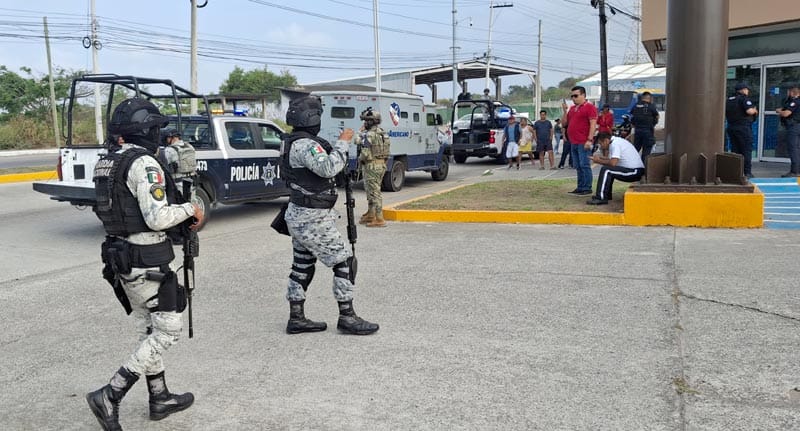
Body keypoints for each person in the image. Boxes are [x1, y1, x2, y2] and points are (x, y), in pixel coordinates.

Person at [87, 98, 204, 430]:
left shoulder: (108, 162)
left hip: (121, 256)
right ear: (147, 129)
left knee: (149, 329)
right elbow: (157, 218)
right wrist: (191, 209)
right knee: (167, 330)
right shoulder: (144, 164)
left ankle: (160, 395)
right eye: (156, 128)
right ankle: (111, 393)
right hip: (145, 258)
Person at [281, 95, 379, 336]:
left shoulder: (291, 141)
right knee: (344, 262)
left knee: (302, 265)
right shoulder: (305, 144)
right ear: (311, 118)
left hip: (300, 214)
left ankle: (297, 317)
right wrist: (344, 142)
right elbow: (327, 168)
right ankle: (347, 316)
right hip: (312, 217)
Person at [354, 107, 391, 227]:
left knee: (374, 192)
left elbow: (362, 148)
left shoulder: (369, 134)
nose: (364, 123)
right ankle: (371, 214)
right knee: (371, 190)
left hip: (371, 166)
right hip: (381, 164)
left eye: (366, 121)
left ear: (371, 122)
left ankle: (379, 219)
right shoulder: (382, 133)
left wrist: (360, 132)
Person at [586, 132, 645, 205]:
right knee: (608, 169)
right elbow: (611, 160)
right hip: (634, 170)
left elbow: (613, 163)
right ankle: (606, 195)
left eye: (601, 143)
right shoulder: (615, 142)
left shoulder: (615, 144)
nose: (601, 146)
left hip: (635, 171)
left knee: (606, 170)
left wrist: (598, 161)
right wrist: (599, 158)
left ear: (606, 140)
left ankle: (601, 198)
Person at [561, 86, 597, 195]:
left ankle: (587, 187)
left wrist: (589, 139)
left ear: (583, 95)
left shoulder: (589, 107)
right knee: (578, 165)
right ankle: (581, 186)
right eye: (572, 96)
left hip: (583, 141)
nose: (573, 98)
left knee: (584, 164)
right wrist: (564, 111)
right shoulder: (572, 109)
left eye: (576, 96)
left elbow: (593, 124)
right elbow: (564, 124)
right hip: (574, 141)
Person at [725, 82, 758, 178]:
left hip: (732, 127)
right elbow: (749, 111)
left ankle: (736, 172)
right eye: (747, 89)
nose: (748, 91)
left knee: (736, 150)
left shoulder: (729, 100)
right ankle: (747, 173)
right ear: (743, 90)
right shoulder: (744, 99)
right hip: (743, 128)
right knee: (746, 150)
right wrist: (755, 110)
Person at [629, 91, 659, 164]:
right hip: (648, 131)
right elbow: (657, 116)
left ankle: (631, 164)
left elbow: (631, 116)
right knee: (646, 151)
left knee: (635, 149)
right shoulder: (651, 106)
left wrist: (634, 124)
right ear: (649, 98)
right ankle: (644, 169)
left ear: (642, 98)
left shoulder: (636, 106)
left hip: (638, 131)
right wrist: (653, 124)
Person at [777, 85, 800, 177]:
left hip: (794, 127)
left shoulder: (795, 102)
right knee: (798, 149)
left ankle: (794, 171)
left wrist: (779, 111)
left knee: (793, 149)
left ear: (792, 92)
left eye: (788, 92)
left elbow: (786, 113)